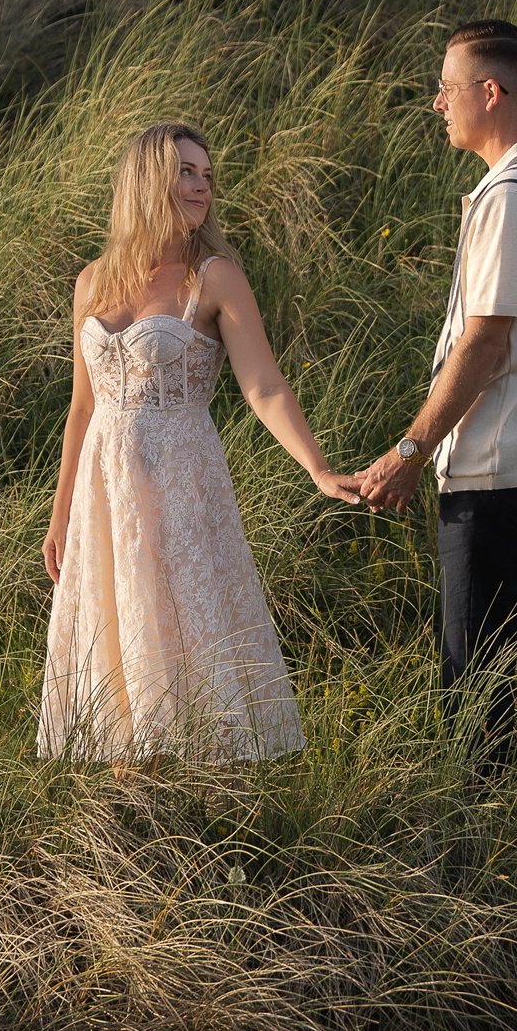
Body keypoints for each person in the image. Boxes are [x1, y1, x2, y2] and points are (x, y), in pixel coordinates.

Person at [39, 121, 360, 765]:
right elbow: (81, 407)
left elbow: (264, 387)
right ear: (147, 179)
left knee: (190, 633)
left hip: (182, 481)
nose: (201, 187)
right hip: (106, 493)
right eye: (186, 172)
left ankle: (208, 800)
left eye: (207, 176)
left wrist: (320, 470)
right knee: (119, 629)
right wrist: (60, 511)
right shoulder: (92, 282)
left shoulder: (215, 278)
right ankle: (127, 802)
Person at [359, 19, 517, 767]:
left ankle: (473, 856)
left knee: (473, 683)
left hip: (498, 473)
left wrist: (411, 449)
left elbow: (487, 342)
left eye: (446, 89)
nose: (438, 104)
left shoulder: (512, 193)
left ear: (490, 92)